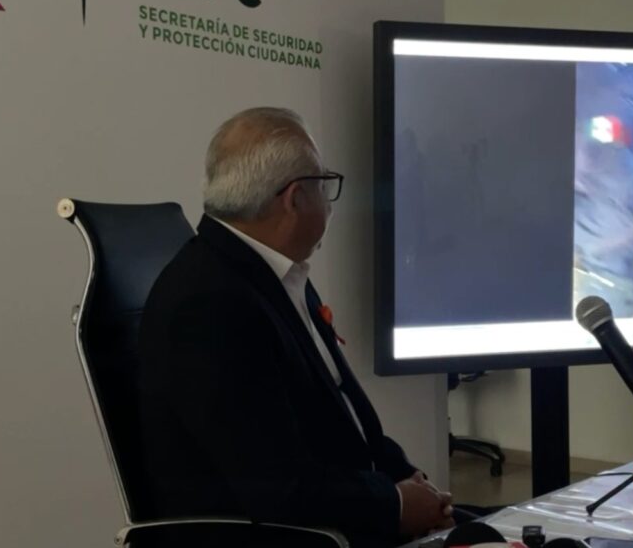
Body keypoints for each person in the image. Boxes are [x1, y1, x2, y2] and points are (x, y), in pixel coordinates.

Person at [137, 107, 454, 547]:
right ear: (295, 198)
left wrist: (404, 478)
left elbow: (342, 414)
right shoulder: (210, 305)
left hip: (348, 514)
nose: (330, 200)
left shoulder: (275, 274)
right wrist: (396, 505)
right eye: (325, 184)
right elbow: (276, 488)